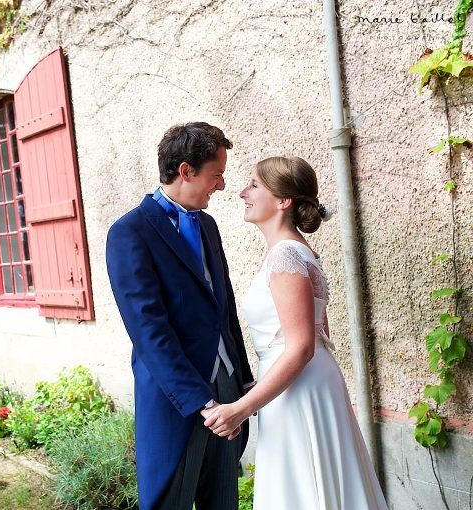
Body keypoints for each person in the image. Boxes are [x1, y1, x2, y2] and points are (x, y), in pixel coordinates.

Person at [204, 156, 388, 509]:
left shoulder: (285, 256)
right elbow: (318, 336)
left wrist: (240, 409)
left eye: (254, 185)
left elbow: (302, 346)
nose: (243, 192)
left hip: (298, 388)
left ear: (283, 200)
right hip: (301, 382)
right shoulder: (298, 252)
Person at [106, 122, 254, 510]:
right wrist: (202, 403)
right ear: (186, 171)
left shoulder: (207, 225)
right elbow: (149, 331)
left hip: (226, 387)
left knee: (223, 502)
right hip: (178, 399)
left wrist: (242, 379)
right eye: (216, 174)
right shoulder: (129, 233)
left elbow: (225, 310)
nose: (222, 185)